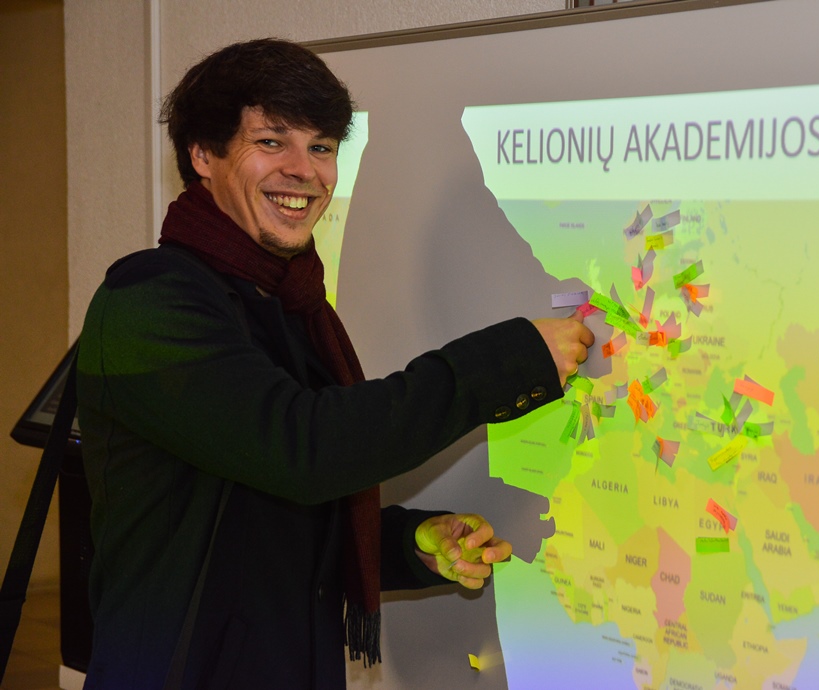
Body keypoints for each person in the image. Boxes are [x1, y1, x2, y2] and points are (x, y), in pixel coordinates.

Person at [75, 38, 593, 690]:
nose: (305, 171)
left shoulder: (289, 301)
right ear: (203, 155)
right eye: (272, 142)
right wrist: (507, 362)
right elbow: (302, 448)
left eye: (321, 147)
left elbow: (267, 513)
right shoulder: (147, 301)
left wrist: (407, 543)